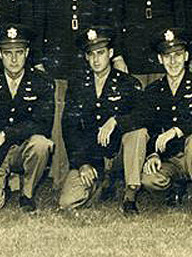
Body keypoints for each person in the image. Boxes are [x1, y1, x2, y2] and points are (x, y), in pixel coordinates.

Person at [44, 0, 109, 187]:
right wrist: (41, 60)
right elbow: (41, 23)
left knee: (93, 116)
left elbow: (106, 19)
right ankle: (61, 176)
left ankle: (98, 175)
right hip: (60, 64)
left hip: (90, 63)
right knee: (61, 120)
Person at [122, 27, 192, 214]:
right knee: (149, 179)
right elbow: (146, 123)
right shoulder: (154, 90)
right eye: (167, 56)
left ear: (186, 56)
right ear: (160, 59)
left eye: (178, 55)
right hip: (168, 158)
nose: (173, 61)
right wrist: (152, 154)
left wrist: (177, 130)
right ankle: (175, 188)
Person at [0, 25, 54, 211]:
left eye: (19, 52)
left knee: (41, 144)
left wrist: (6, 134)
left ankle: (27, 194)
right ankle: (2, 184)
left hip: (24, 148)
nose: (14, 59)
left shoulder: (41, 81)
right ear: (0, 54)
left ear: (27, 52)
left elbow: (43, 123)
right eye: (8, 53)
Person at [58, 26, 145, 210]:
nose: (96, 59)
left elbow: (143, 115)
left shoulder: (127, 83)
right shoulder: (78, 84)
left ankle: (130, 195)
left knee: (138, 133)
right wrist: (81, 164)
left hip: (119, 155)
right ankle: (102, 184)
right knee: (67, 202)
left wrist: (116, 120)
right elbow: (69, 127)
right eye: (91, 54)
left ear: (111, 53)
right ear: (86, 57)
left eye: (101, 53)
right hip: (92, 158)